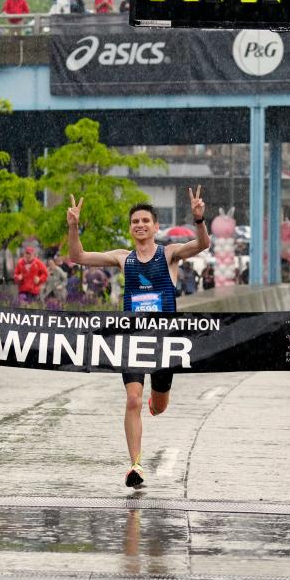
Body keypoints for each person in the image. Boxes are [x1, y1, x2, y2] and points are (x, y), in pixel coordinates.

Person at [66, 188, 209, 488]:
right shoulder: (122, 258)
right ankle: (136, 465)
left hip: (164, 342)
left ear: (156, 226)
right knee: (133, 400)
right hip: (131, 340)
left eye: (145, 220)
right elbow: (76, 256)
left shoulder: (168, 254)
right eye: (134, 221)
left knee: (158, 405)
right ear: (130, 228)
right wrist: (73, 226)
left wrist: (199, 219)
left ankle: (156, 404)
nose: (140, 225)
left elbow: (202, 244)